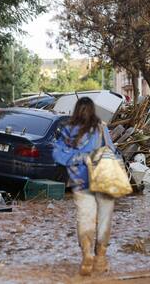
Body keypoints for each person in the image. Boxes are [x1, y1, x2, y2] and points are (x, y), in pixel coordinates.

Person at [53, 97, 117, 276]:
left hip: (80, 183)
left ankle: (87, 254)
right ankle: (101, 258)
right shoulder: (101, 128)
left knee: (85, 219)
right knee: (104, 220)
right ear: (93, 110)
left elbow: (58, 155)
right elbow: (111, 151)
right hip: (102, 180)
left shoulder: (69, 129)